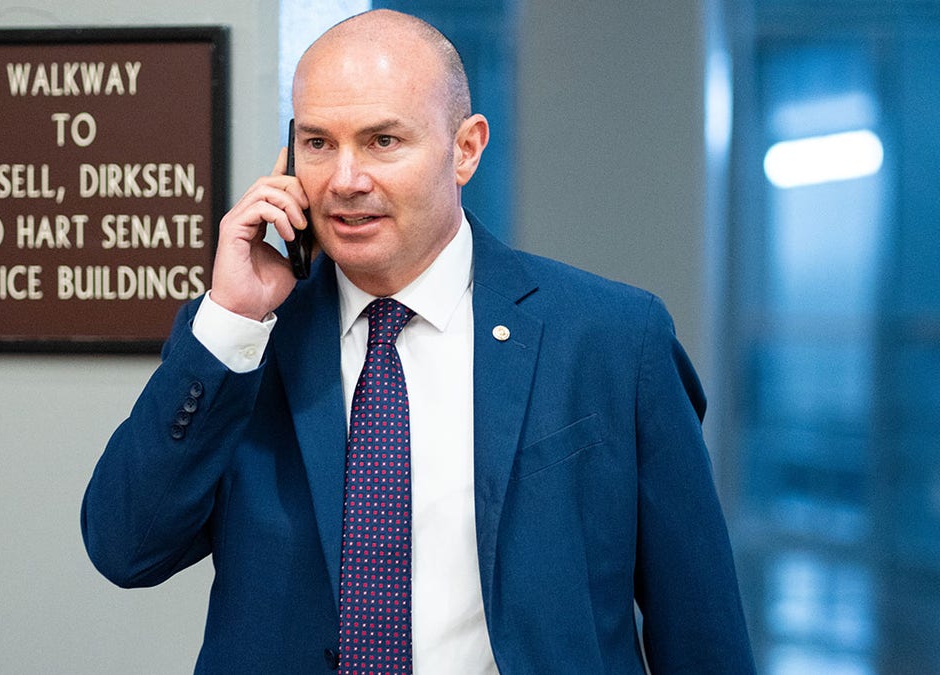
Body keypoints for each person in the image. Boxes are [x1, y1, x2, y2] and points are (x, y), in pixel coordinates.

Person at [81, 9, 754, 674]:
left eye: (382, 141)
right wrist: (232, 316)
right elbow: (125, 546)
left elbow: (701, 630)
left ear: (466, 148)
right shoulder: (242, 344)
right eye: (318, 142)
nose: (345, 179)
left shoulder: (612, 339)